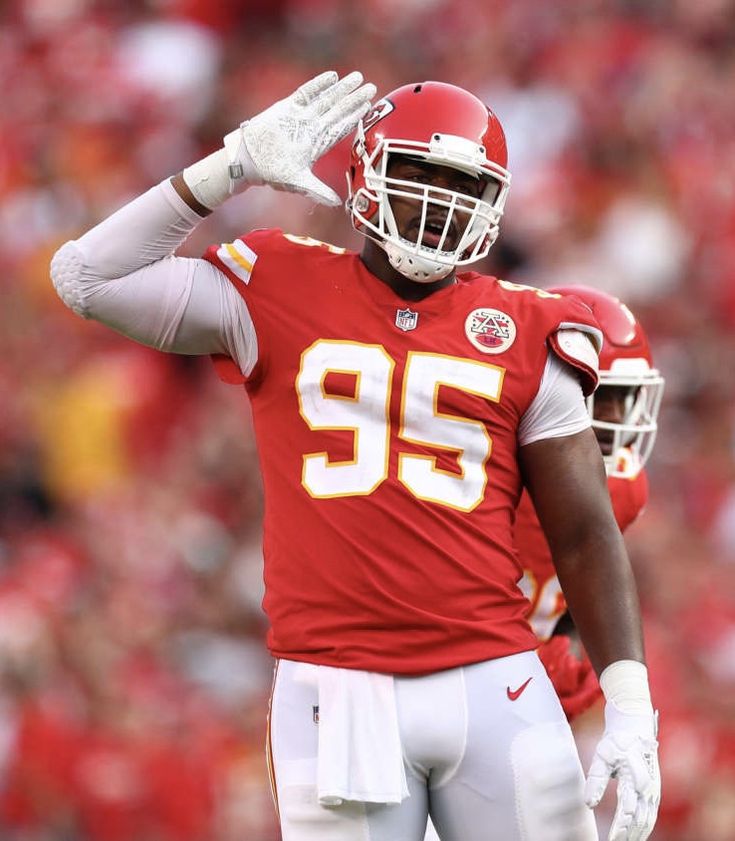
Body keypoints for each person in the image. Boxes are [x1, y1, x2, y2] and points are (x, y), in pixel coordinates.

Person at [50, 71, 661, 841]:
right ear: (365, 173)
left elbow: (582, 529)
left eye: (460, 183)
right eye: (416, 175)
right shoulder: (278, 281)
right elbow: (85, 276)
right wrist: (228, 167)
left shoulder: (531, 323)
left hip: (494, 679)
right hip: (336, 688)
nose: (438, 202)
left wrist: (631, 709)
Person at [519, 285, 665, 721]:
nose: (617, 419)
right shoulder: (493, 476)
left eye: (626, 399)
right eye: (603, 396)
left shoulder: (625, 487)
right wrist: (523, 656)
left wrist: (571, 645)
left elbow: (573, 589)